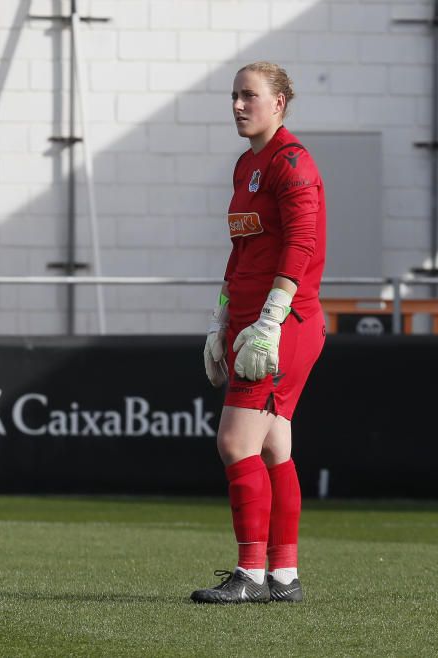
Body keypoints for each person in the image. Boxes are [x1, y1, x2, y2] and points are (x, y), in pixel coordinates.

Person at [193, 62, 326, 604]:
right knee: (274, 449)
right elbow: (243, 248)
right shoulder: (247, 164)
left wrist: (270, 317)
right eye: (233, 96)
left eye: (250, 95)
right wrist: (221, 316)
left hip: (284, 325)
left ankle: (249, 574)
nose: (238, 105)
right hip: (252, 322)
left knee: (233, 442)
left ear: (280, 103)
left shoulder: (291, 162)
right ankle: (283, 577)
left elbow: (302, 243)